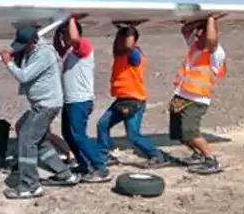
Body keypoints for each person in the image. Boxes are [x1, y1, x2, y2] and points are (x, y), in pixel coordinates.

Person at [1, 26, 80, 198]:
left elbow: (24, 76)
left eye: (25, 45)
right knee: (33, 134)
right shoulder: (33, 52)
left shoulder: (44, 54)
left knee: (27, 139)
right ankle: (64, 174)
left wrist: (8, 62)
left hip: (46, 105)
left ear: (34, 42)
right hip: (41, 104)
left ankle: (30, 185)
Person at [94, 24, 171, 169]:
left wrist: (130, 28)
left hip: (133, 101)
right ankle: (103, 154)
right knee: (102, 125)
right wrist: (120, 32)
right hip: (123, 100)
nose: (117, 42)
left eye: (121, 39)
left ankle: (157, 156)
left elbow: (129, 46)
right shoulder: (120, 55)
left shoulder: (134, 54)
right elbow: (117, 48)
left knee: (133, 136)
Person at [52, 15, 111, 183]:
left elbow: (75, 38)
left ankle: (100, 168)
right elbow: (57, 46)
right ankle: (83, 164)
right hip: (70, 99)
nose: (64, 37)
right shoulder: (69, 51)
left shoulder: (83, 46)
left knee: (79, 135)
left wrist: (71, 18)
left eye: (66, 33)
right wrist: (57, 27)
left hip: (80, 99)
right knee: (68, 134)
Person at [168, 14, 227, 175]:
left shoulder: (216, 52)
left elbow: (212, 41)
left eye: (202, 32)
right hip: (181, 95)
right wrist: (198, 22)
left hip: (197, 99)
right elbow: (185, 30)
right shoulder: (196, 47)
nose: (197, 35)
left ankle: (211, 159)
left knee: (190, 131)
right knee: (179, 132)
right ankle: (197, 154)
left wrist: (211, 20)